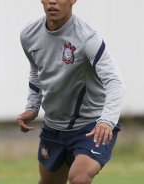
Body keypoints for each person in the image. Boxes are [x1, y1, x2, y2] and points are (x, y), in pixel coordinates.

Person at [17, 0, 125, 184]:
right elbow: (36, 71)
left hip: (91, 126)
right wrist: (32, 107)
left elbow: (115, 82)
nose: (52, 1)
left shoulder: (87, 38)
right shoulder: (29, 35)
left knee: (79, 178)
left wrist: (107, 120)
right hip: (54, 126)